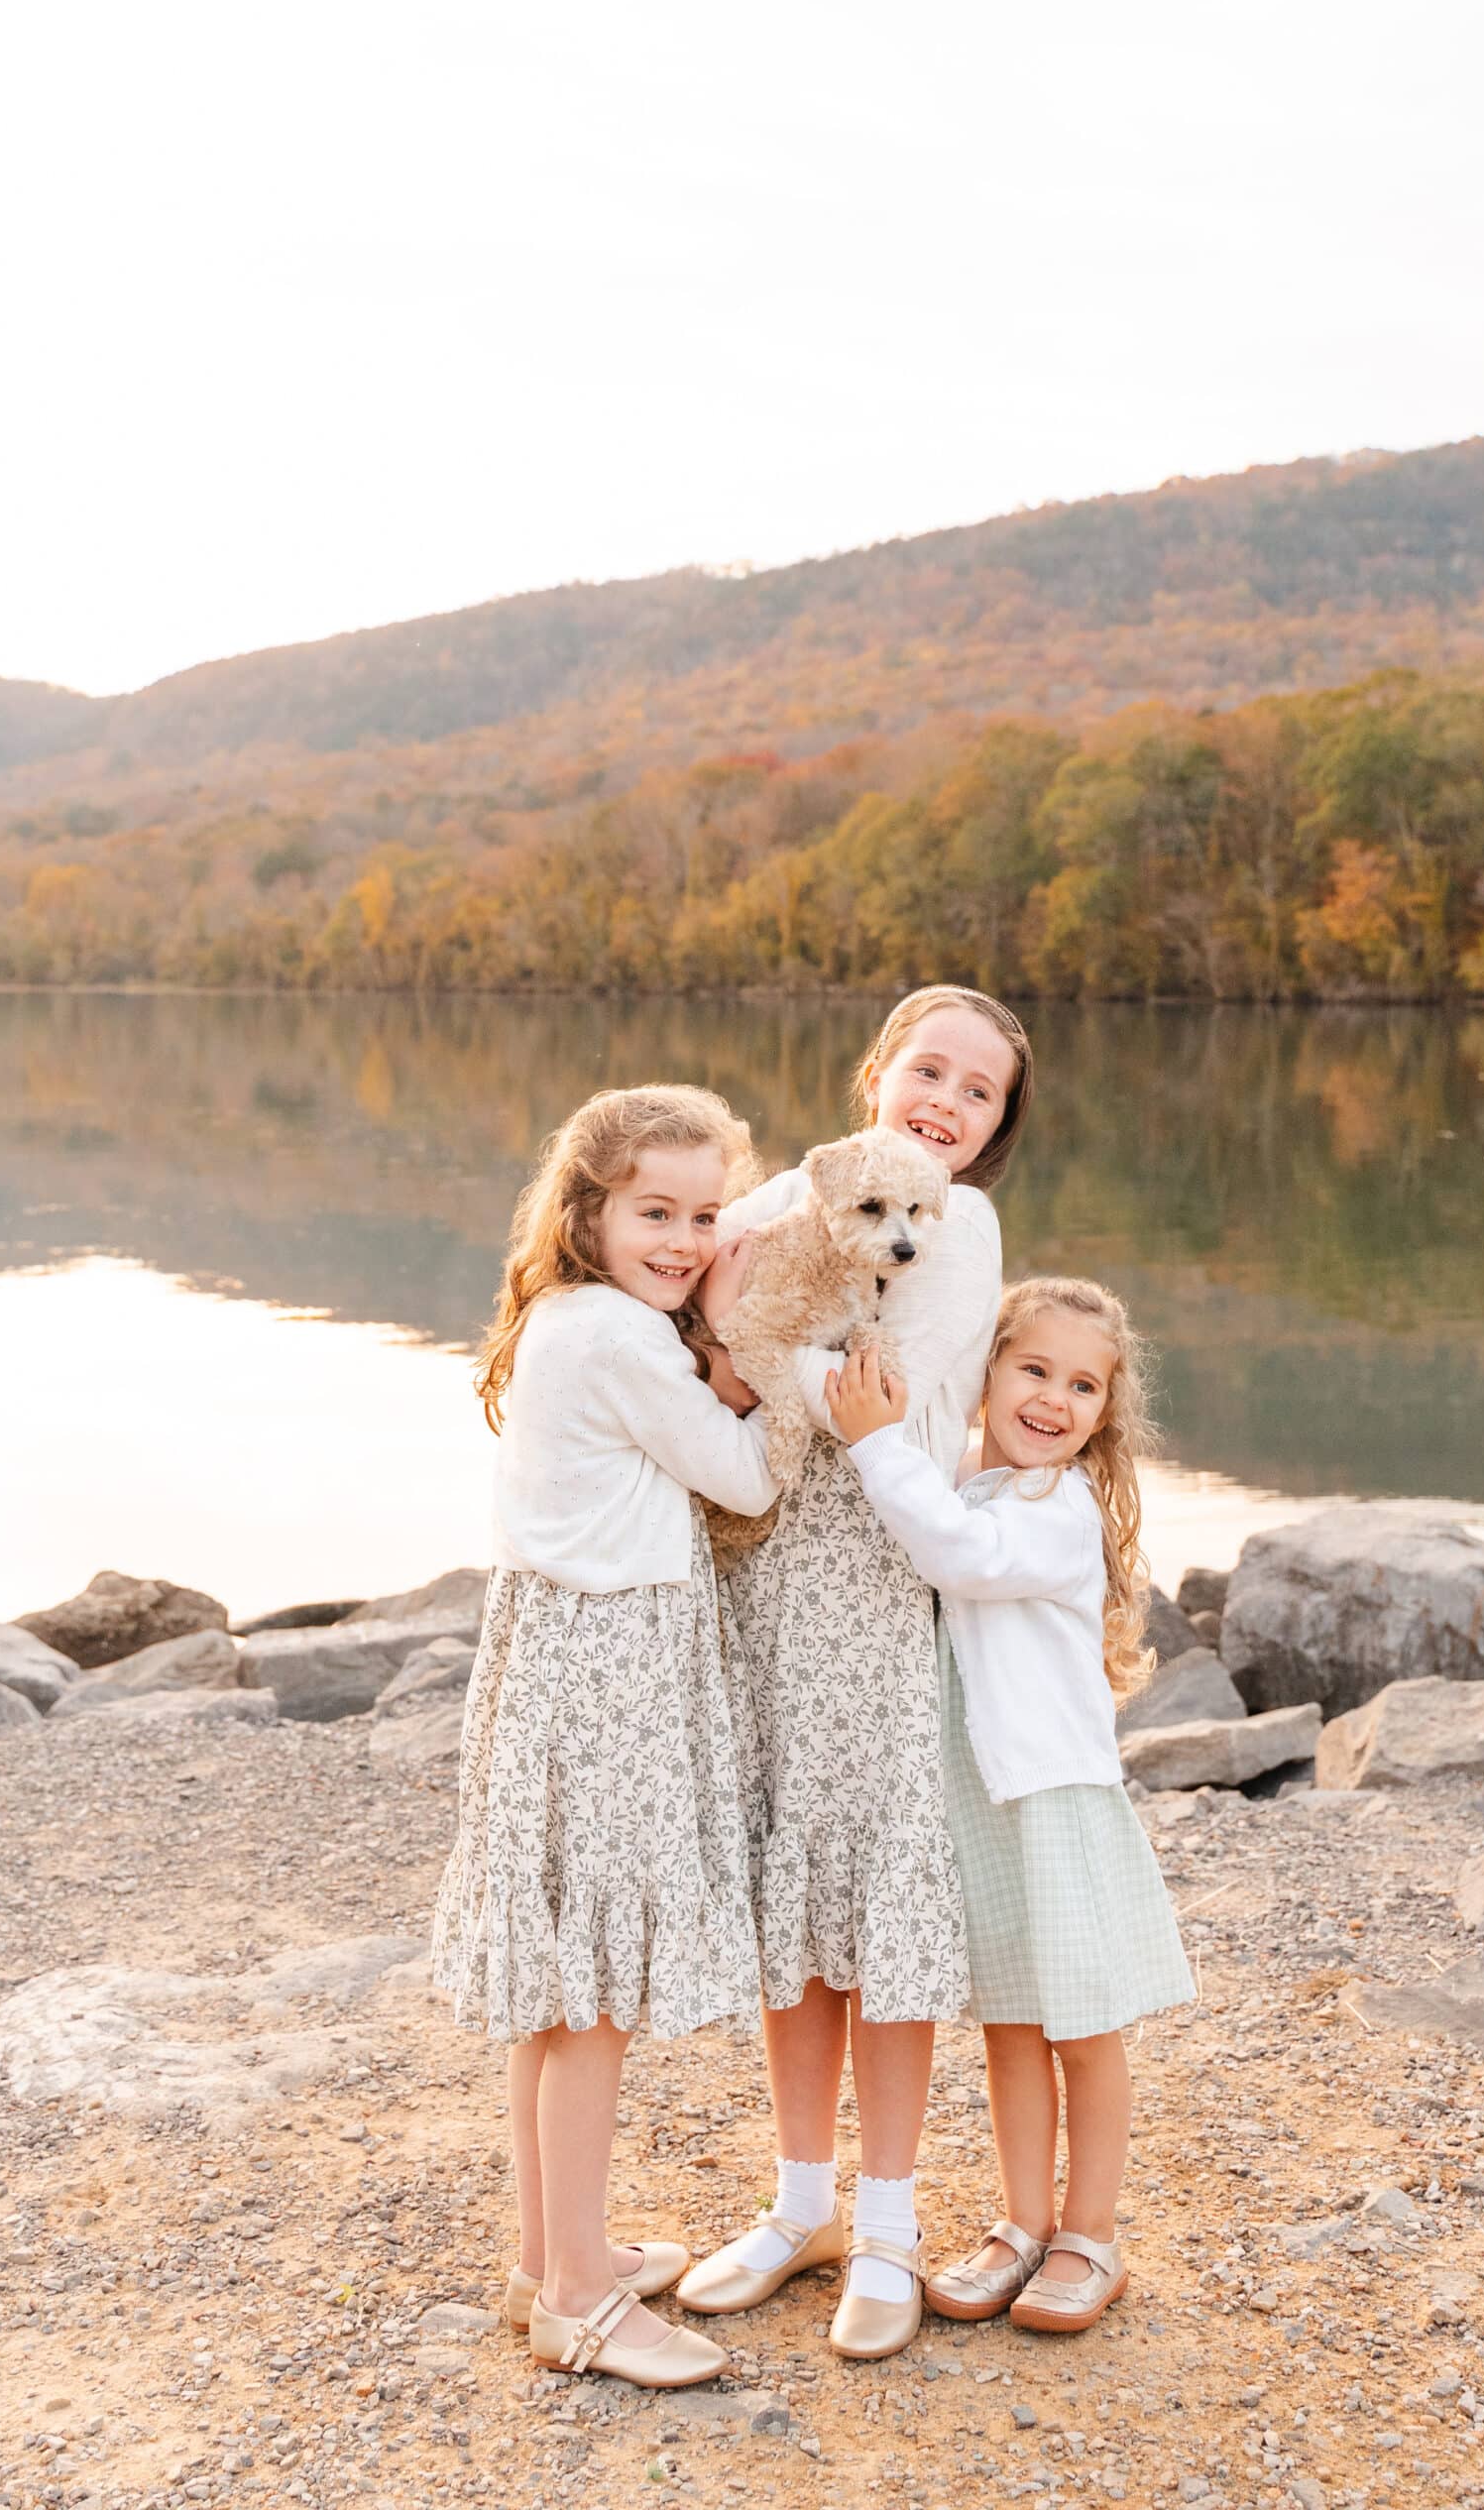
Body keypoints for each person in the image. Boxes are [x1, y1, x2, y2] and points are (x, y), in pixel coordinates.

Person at [677, 986, 1034, 2359]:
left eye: (978, 1091)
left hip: (878, 1574)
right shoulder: (801, 1187)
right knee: (793, 1891)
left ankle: (887, 2219)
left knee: (876, 1894)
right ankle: (801, 2201)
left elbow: (868, 1381)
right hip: (768, 1568)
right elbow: (706, 1287)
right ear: (875, 1074)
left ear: (994, 1128)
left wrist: (743, 1348)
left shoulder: (955, 1221)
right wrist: (731, 1336)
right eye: (926, 1070)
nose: (944, 1101)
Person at [429, 1084, 776, 2389]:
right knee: (594, 2000)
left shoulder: (570, 1321)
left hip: (565, 1663)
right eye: (655, 1212)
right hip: (610, 1678)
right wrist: (740, 1346)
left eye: (704, 1216)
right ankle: (576, 2298)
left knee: (562, 1990)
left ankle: (547, 2257)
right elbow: (742, 1476)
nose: (683, 1240)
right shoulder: (625, 1342)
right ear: (589, 1212)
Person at [825, 1275, 1194, 2334]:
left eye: (1081, 1385)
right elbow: (933, 1528)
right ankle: (1021, 2220)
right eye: (1032, 1368)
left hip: (1052, 1794)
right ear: (982, 1375)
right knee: (1010, 2025)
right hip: (980, 1798)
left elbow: (955, 1556)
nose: (1053, 1398)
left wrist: (873, 1442)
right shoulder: (970, 1478)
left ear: (1102, 1413)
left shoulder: (1054, 1506)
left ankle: (1089, 2233)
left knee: (1082, 2026)